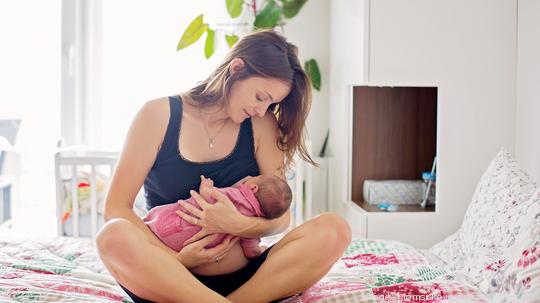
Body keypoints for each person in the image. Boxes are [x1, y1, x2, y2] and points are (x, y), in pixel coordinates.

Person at [96, 29, 351, 303]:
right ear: (237, 68)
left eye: (271, 104)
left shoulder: (261, 125)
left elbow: (281, 219)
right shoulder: (157, 115)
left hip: (249, 283)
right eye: (261, 97)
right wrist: (177, 258)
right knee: (112, 236)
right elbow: (116, 208)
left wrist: (240, 225)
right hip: (171, 279)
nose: (262, 110)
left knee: (335, 229)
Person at [144, 174, 292, 258]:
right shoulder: (252, 225)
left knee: (155, 222)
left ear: (253, 187)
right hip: (184, 246)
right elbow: (251, 251)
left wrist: (206, 186)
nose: (250, 177)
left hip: (169, 223)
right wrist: (261, 250)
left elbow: (209, 196)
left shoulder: (235, 194)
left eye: (255, 177)